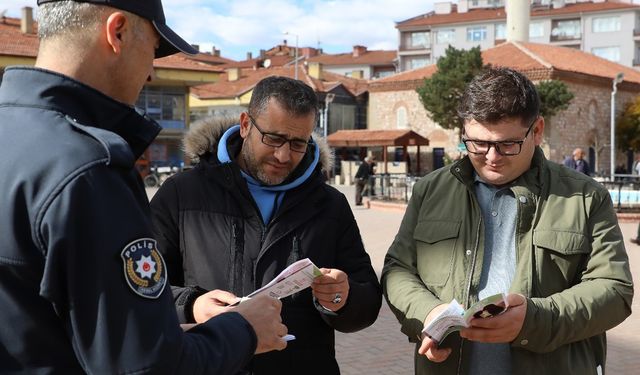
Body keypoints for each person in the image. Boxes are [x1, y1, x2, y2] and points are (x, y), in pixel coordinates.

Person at [0, 1, 289, 373]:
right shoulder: (87, 168)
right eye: (153, 50)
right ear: (117, 32)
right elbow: (145, 367)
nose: (151, 73)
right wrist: (245, 330)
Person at [382, 67, 633, 375]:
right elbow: (398, 269)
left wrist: (535, 320)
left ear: (537, 130)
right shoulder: (429, 190)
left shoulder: (586, 197)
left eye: (506, 144)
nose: (491, 157)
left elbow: (614, 290)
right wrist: (428, 312)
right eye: (476, 143)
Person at [150, 76, 382, 374]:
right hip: (211, 363)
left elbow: (368, 301)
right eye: (273, 138)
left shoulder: (330, 204)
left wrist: (342, 298)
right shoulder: (182, 193)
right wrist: (190, 305)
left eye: (298, 143)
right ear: (246, 125)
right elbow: (136, 287)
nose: (283, 155)